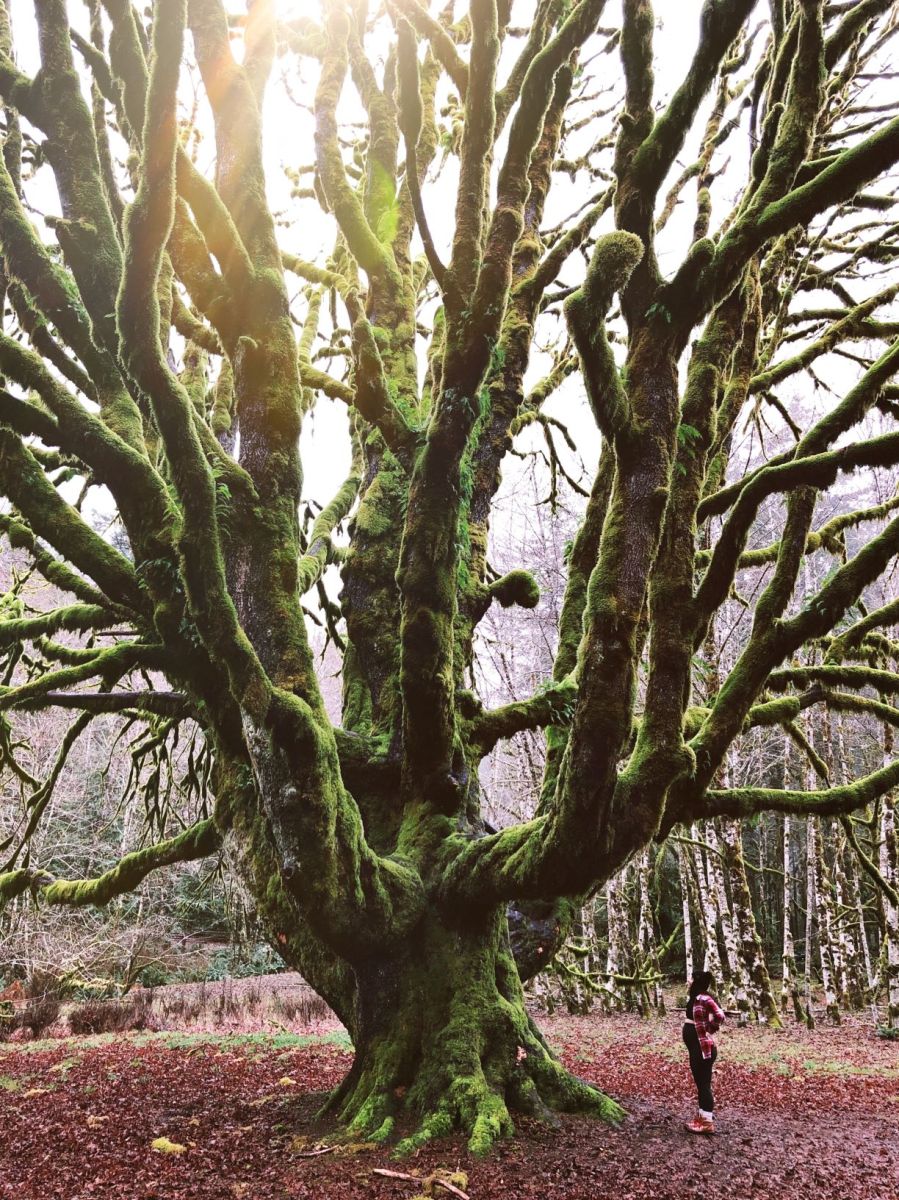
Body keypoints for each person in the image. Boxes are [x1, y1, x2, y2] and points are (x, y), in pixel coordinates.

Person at [682, 970, 726, 1134]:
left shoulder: (704, 998)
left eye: (690, 979)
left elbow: (720, 1016)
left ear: (696, 981)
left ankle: (707, 1123)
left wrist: (710, 1029)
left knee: (704, 1085)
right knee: (701, 1085)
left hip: (702, 1047)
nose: (688, 982)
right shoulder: (696, 998)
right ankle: (702, 1118)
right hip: (696, 1047)